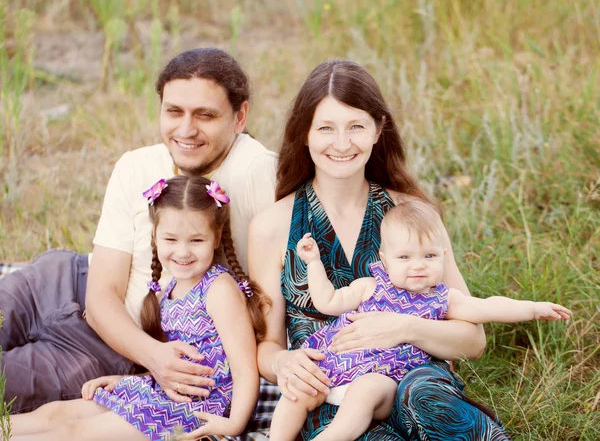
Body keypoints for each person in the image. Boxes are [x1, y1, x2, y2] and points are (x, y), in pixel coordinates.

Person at [0, 47, 278, 416]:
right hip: (62, 280)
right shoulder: (136, 166)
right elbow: (101, 296)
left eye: (205, 115)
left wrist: (156, 361)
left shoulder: (257, 174)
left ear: (240, 116)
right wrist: (156, 358)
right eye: (173, 111)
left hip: (109, 350)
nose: (185, 130)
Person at [249, 59, 514, 439]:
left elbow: (472, 340)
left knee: (423, 396)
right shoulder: (272, 226)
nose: (342, 143)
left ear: (378, 129)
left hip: (416, 385)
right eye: (326, 128)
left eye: (356, 126)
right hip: (333, 398)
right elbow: (267, 344)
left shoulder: (414, 215)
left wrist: (404, 327)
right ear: (304, 134)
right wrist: (283, 361)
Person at [269, 200, 572, 441]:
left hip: (384, 383)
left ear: (443, 256)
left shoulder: (442, 299)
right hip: (332, 369)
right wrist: (313, 263)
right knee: (297, 393)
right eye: (405, 258)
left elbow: (487, 307)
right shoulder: (370, 286)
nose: (418, 266)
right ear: (385, 259)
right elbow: (327, 301)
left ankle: (334, 438)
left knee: (365, 392)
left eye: (428, 256)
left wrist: (532, 308)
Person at [10, 175, 270, 440]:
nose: (182, 252)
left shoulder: (219, 290)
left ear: (216, 238)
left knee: (75, 432)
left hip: (197, 407)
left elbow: (244, 369)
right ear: (155, 236)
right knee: (54, 414)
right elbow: (176, 363)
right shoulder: (169, 290)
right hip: (164, 391)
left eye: (196, 241)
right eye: (171, 240)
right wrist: (126, 382)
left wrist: (234, 424)